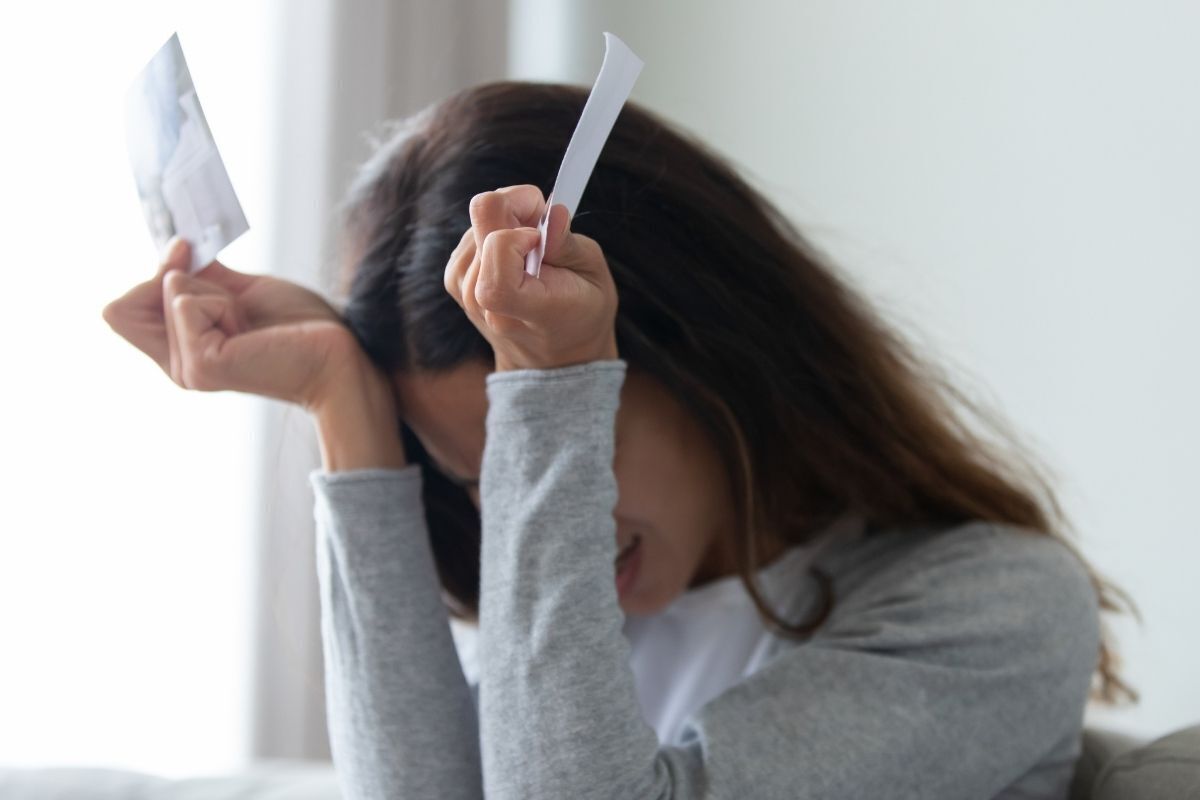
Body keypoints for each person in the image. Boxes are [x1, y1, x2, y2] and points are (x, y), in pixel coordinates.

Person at [104, 81, 1132, 799]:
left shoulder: (1003, 606)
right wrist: (344, 400)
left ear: (705, 354)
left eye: (564, 445)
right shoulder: (585, 631)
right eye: (479, 482)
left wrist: (551, 394)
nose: (542, 521)